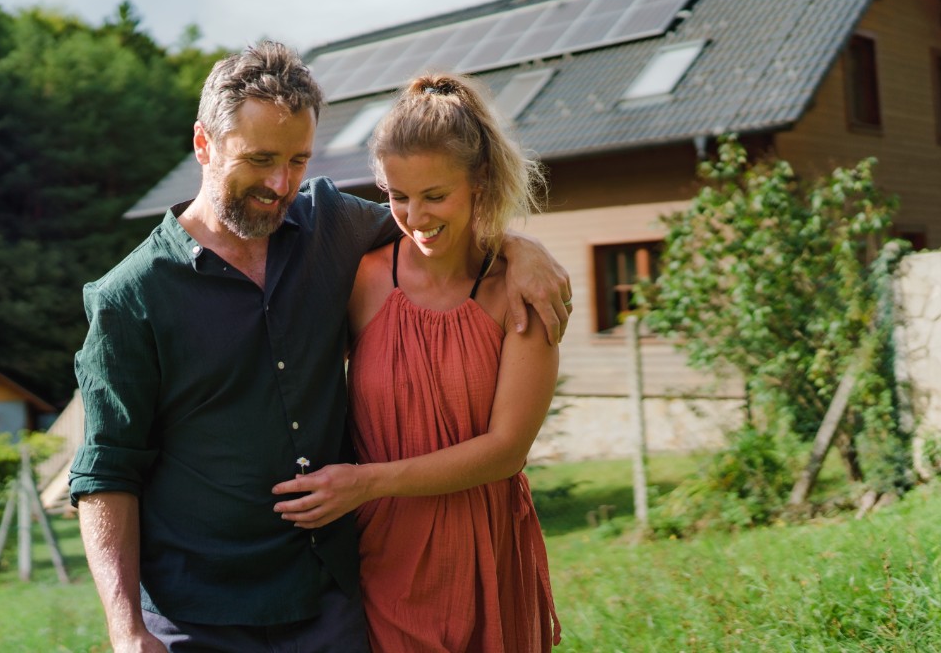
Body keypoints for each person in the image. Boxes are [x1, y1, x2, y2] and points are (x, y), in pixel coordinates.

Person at [70, 44, 571, 652]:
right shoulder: (131, 297)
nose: (280, 184)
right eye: (258, 159)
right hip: (197, 614)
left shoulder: (332, 226)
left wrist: (522, 248)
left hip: (329, 598)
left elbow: (440, 222)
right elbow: (105, 472)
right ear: (204, 145)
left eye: (297, 160)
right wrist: (126, 630)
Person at [272, 73, 562, 651]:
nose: (415, 216)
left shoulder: (522, 293)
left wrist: (365, 482)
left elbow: (507, 451)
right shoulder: (364, 278)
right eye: (397, 197)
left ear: (479, 181)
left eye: (435, 196)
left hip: (487, 550)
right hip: (385, 556)